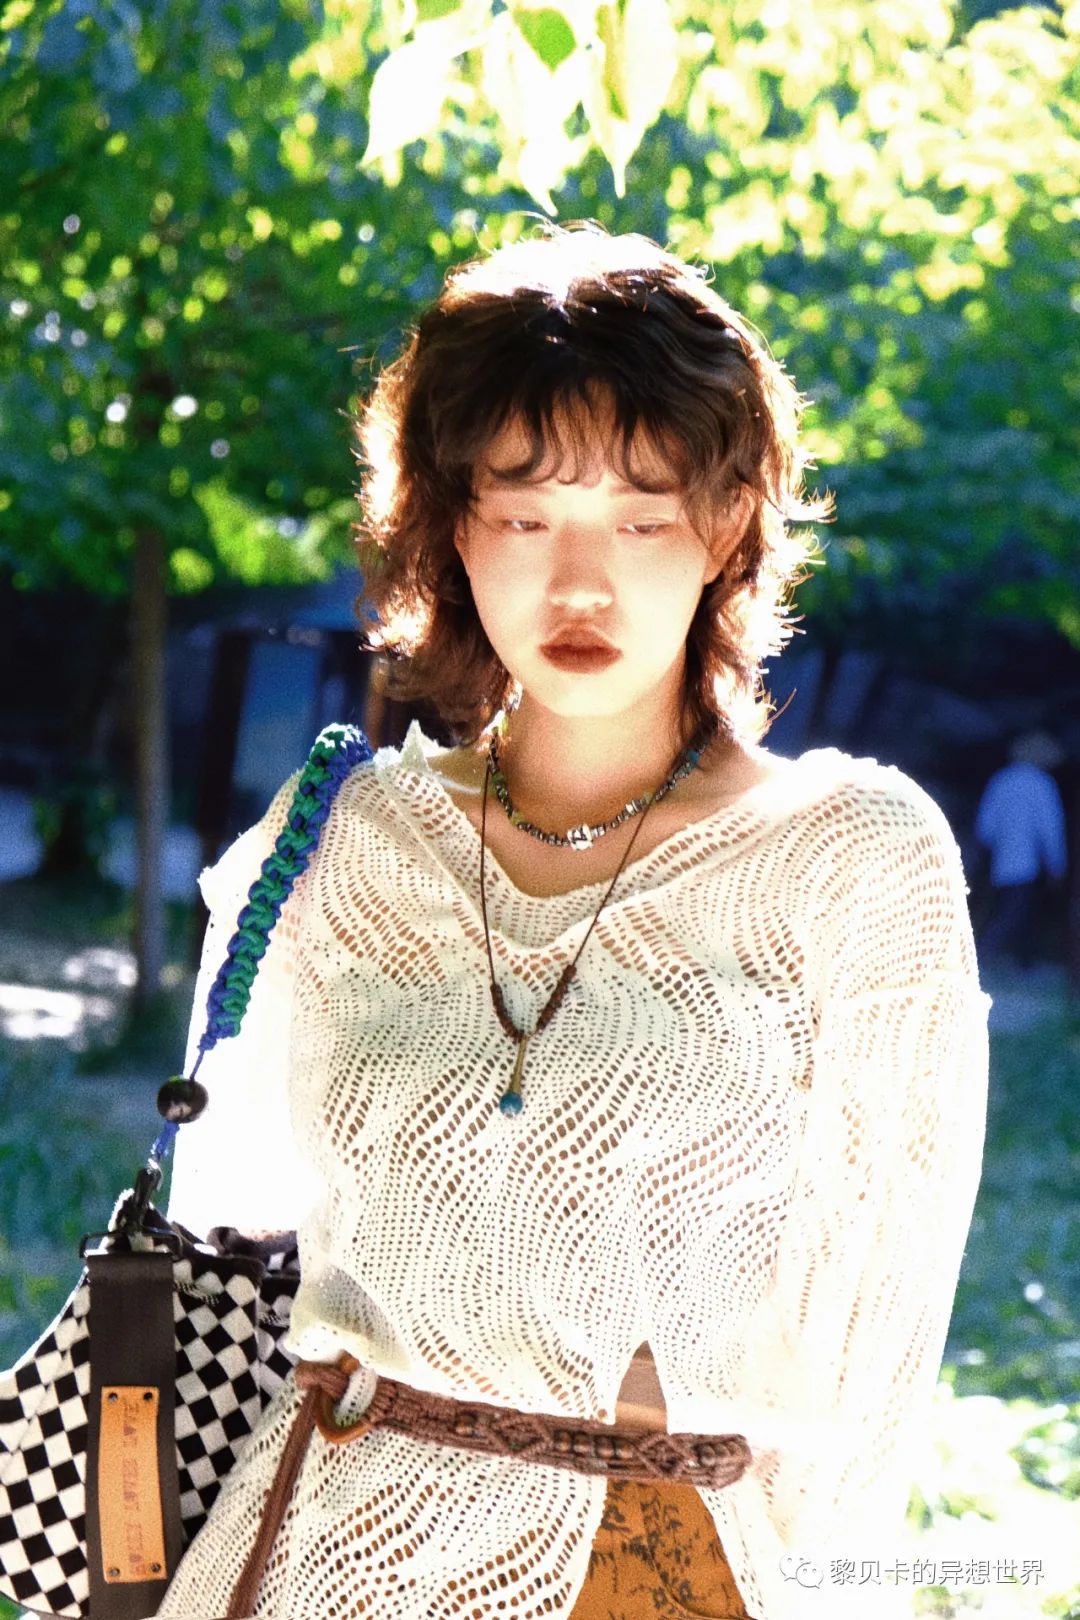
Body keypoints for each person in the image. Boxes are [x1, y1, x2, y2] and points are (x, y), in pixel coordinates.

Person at [159, 221, 992, 1620]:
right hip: (318, 1548)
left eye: (640, 518)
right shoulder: (341, 841)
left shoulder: (851, 859)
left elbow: (877, 1356)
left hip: (652, 1565)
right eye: (525, 515)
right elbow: (224, 1235)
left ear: (726, 527)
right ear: (451, 524)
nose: (580, 581)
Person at [974, 729, 1068, 971]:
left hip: (1000, 858)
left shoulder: (1002, 780)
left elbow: (985, 827)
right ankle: (980, 957)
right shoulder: (1042, 784)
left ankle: (1023, 963)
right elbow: (1050, 828)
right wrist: (1057, 864)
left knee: (1017, 910)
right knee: (1013, 913)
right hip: (1028, 860)